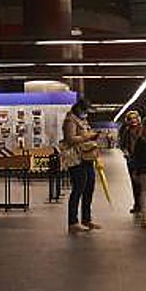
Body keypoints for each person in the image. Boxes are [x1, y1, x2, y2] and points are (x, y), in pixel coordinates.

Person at [62, 97, 100, 233]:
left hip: (87, 157)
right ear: (78, 109)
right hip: (76, 159)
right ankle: (73, 222)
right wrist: (88, 137)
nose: (87, 114)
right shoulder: (70, 120)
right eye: (85, 111)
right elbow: (70, 139)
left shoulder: (82, 120)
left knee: (89, 188)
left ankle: (86, 219)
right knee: (78, 189)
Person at [118, 110, 142, 213]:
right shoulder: (126, 131)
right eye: (131, 119)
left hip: (143, 159)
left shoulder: (143, 129)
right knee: (134, 182)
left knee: (145, 183)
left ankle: (144, 204)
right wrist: (126, 152)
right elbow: (122, 145)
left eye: (135, 118)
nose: (133, 121)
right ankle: (137, 204)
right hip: (132, 160)